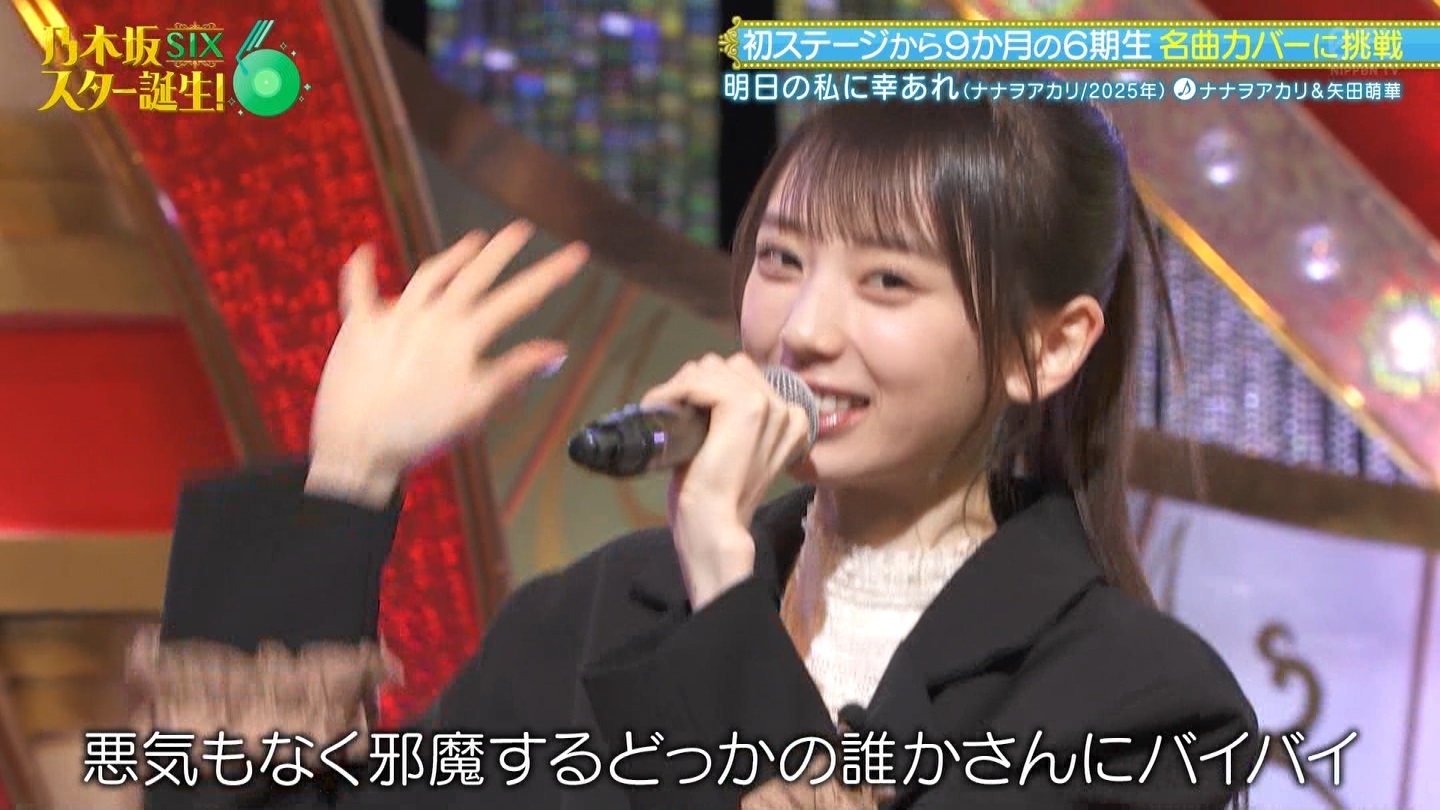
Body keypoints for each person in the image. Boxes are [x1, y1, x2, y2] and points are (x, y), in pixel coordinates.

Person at [131, 85, 1259, 810]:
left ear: (1044, 347)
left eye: (886, 281)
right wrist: (347, 476)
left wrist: (726, 583)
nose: (803, 330)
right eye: (781, 260)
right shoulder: (597, 614)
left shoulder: (1140, 708)